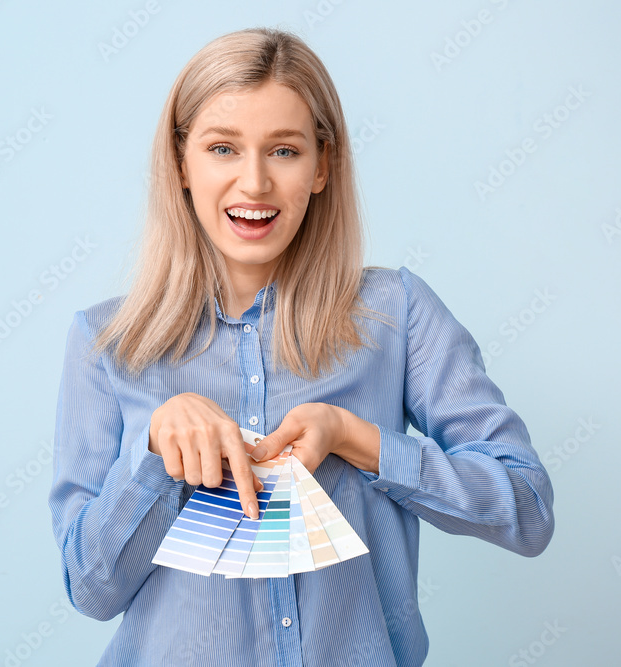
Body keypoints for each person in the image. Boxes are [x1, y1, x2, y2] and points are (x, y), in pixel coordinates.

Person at [48, 26, 554, 667]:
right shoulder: (105, 344)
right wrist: (153, 447)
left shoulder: (396, 314)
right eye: (223, 148)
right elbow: (90, 589)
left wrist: (355, 438)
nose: (254, 182)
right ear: (181, 164)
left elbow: (527, 510)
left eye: (283, 151)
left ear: (323, 166)